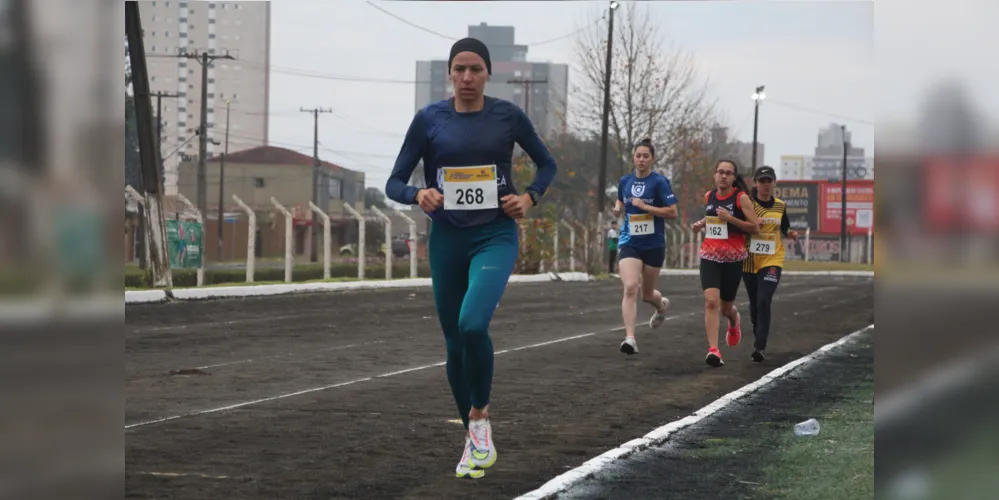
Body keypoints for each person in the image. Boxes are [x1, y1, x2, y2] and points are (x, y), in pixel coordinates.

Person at [384, 37, 557, 479]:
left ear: (487, 73)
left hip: (494, 235)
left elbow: (547, 165)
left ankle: (480, 414)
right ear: (449, 73)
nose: (466, 77)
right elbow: (394, 182)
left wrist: (529, 198)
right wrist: (417, 194)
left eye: (475, 69)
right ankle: (474, 437)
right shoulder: (429, 119)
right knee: (454, 344)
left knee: (473, 323)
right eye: (459, 69)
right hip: (447, 239)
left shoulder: (507, 116)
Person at [612, 137, 678, 355]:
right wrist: (617, 207)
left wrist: (646, 207)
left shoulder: (659, 182)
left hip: (653, 243)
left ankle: (660, 306)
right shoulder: (625, 181)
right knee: (631, 286)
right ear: (633, 158)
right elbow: (621, 199)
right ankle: (630, 338)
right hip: (630, 241)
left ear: (652, 159)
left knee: (647, 294)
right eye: (638, 156)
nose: (641, 160)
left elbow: (673, 212)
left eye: (645, 156)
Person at [691, 159, 760, 367]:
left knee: (725, 308)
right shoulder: (709, 196)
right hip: (710, 256)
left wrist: (731, 219)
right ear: (714, 175)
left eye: (728, 173)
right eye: (720, 172)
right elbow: (712, 217)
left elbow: (755, 228)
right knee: (711, 301)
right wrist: (700, 224)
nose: (723, 176)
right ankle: (713, 350)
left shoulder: (741, 198)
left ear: (734, 177)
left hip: (733, 259)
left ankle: (733, 319)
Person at [741, 166, 798, 362]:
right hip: (749, 259)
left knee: (764, 299)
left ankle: (760, 346)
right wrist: (751, 225)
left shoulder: (780, 206)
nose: (766, 184)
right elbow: (738, 226)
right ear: (755, 183)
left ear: (774, 183)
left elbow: (784, 226)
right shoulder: (747, 204)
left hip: (772, 258)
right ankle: (758, 330)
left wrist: (790, 233)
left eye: (769, 181)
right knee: (754, 302)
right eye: (762, 181)